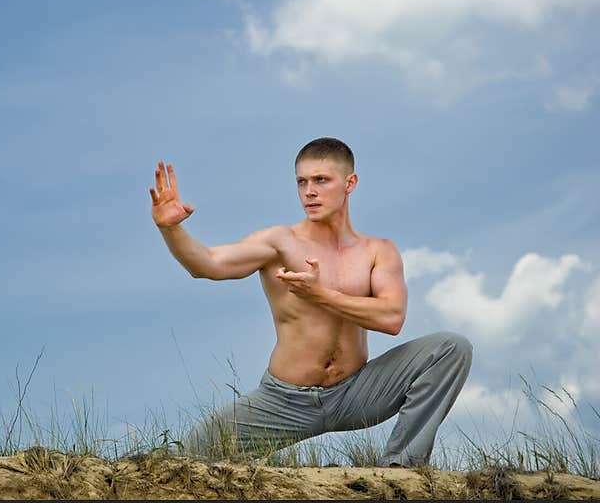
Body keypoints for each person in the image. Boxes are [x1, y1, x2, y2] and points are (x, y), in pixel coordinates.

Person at [148, 137, 472, 467]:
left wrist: (321, 296)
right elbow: (208, 264)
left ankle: (401, 469)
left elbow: (391, 318)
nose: (309, 191)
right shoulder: (280, 243)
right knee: (191, 457)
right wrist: (170, 230)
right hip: (283, 401)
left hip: (355, 393)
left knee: (450, 347)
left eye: (321, 180)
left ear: (350, 183)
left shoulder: (377, 251)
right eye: (301, 182)